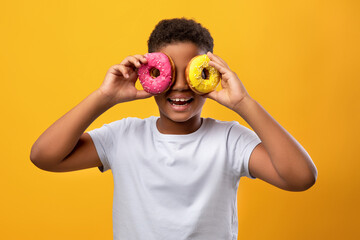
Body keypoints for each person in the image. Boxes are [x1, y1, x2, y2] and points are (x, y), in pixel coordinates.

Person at [30, 18, 318, 240]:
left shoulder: (230, 140)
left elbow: (301, 177)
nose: (180, 85)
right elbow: (44, 156)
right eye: (167, 73)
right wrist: (104, 96)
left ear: (213, 74)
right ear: (147, 73)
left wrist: (243, 102)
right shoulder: (123, 137)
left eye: (193, 73)